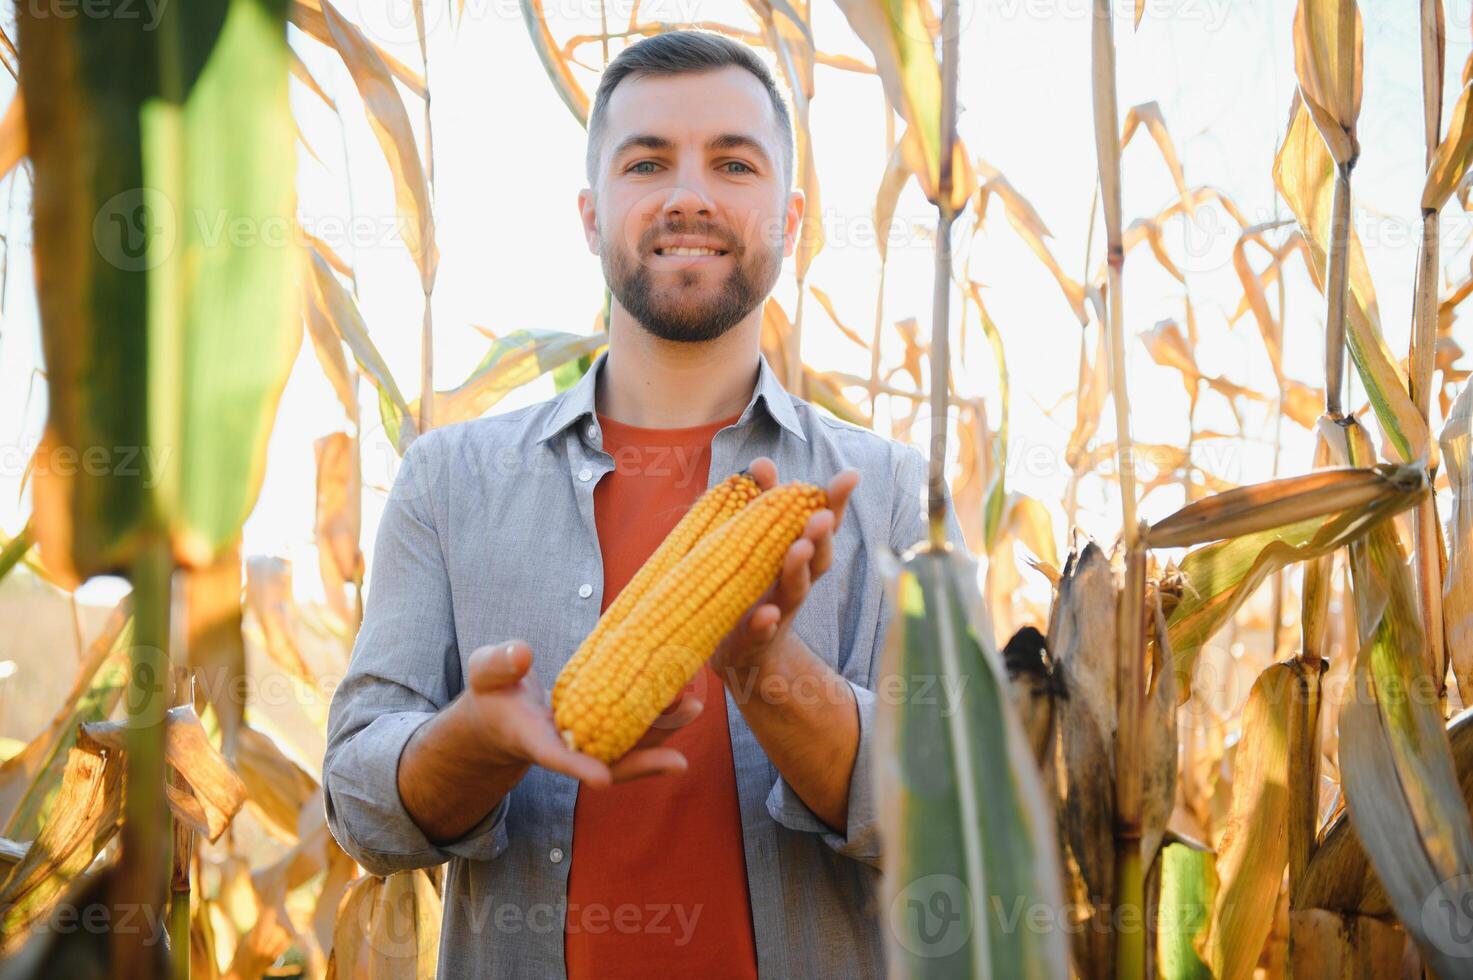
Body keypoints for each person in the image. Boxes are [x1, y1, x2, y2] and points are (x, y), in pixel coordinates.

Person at [323, 28, 966, 979]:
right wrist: (475, 743)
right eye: (648, 161)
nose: (689, 195)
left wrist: (765, 670)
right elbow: (361, 808)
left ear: (790, 221)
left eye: (732, 163)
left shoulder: (891, 493)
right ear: (591, 215)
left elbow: (943, 815)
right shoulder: (447, 481)